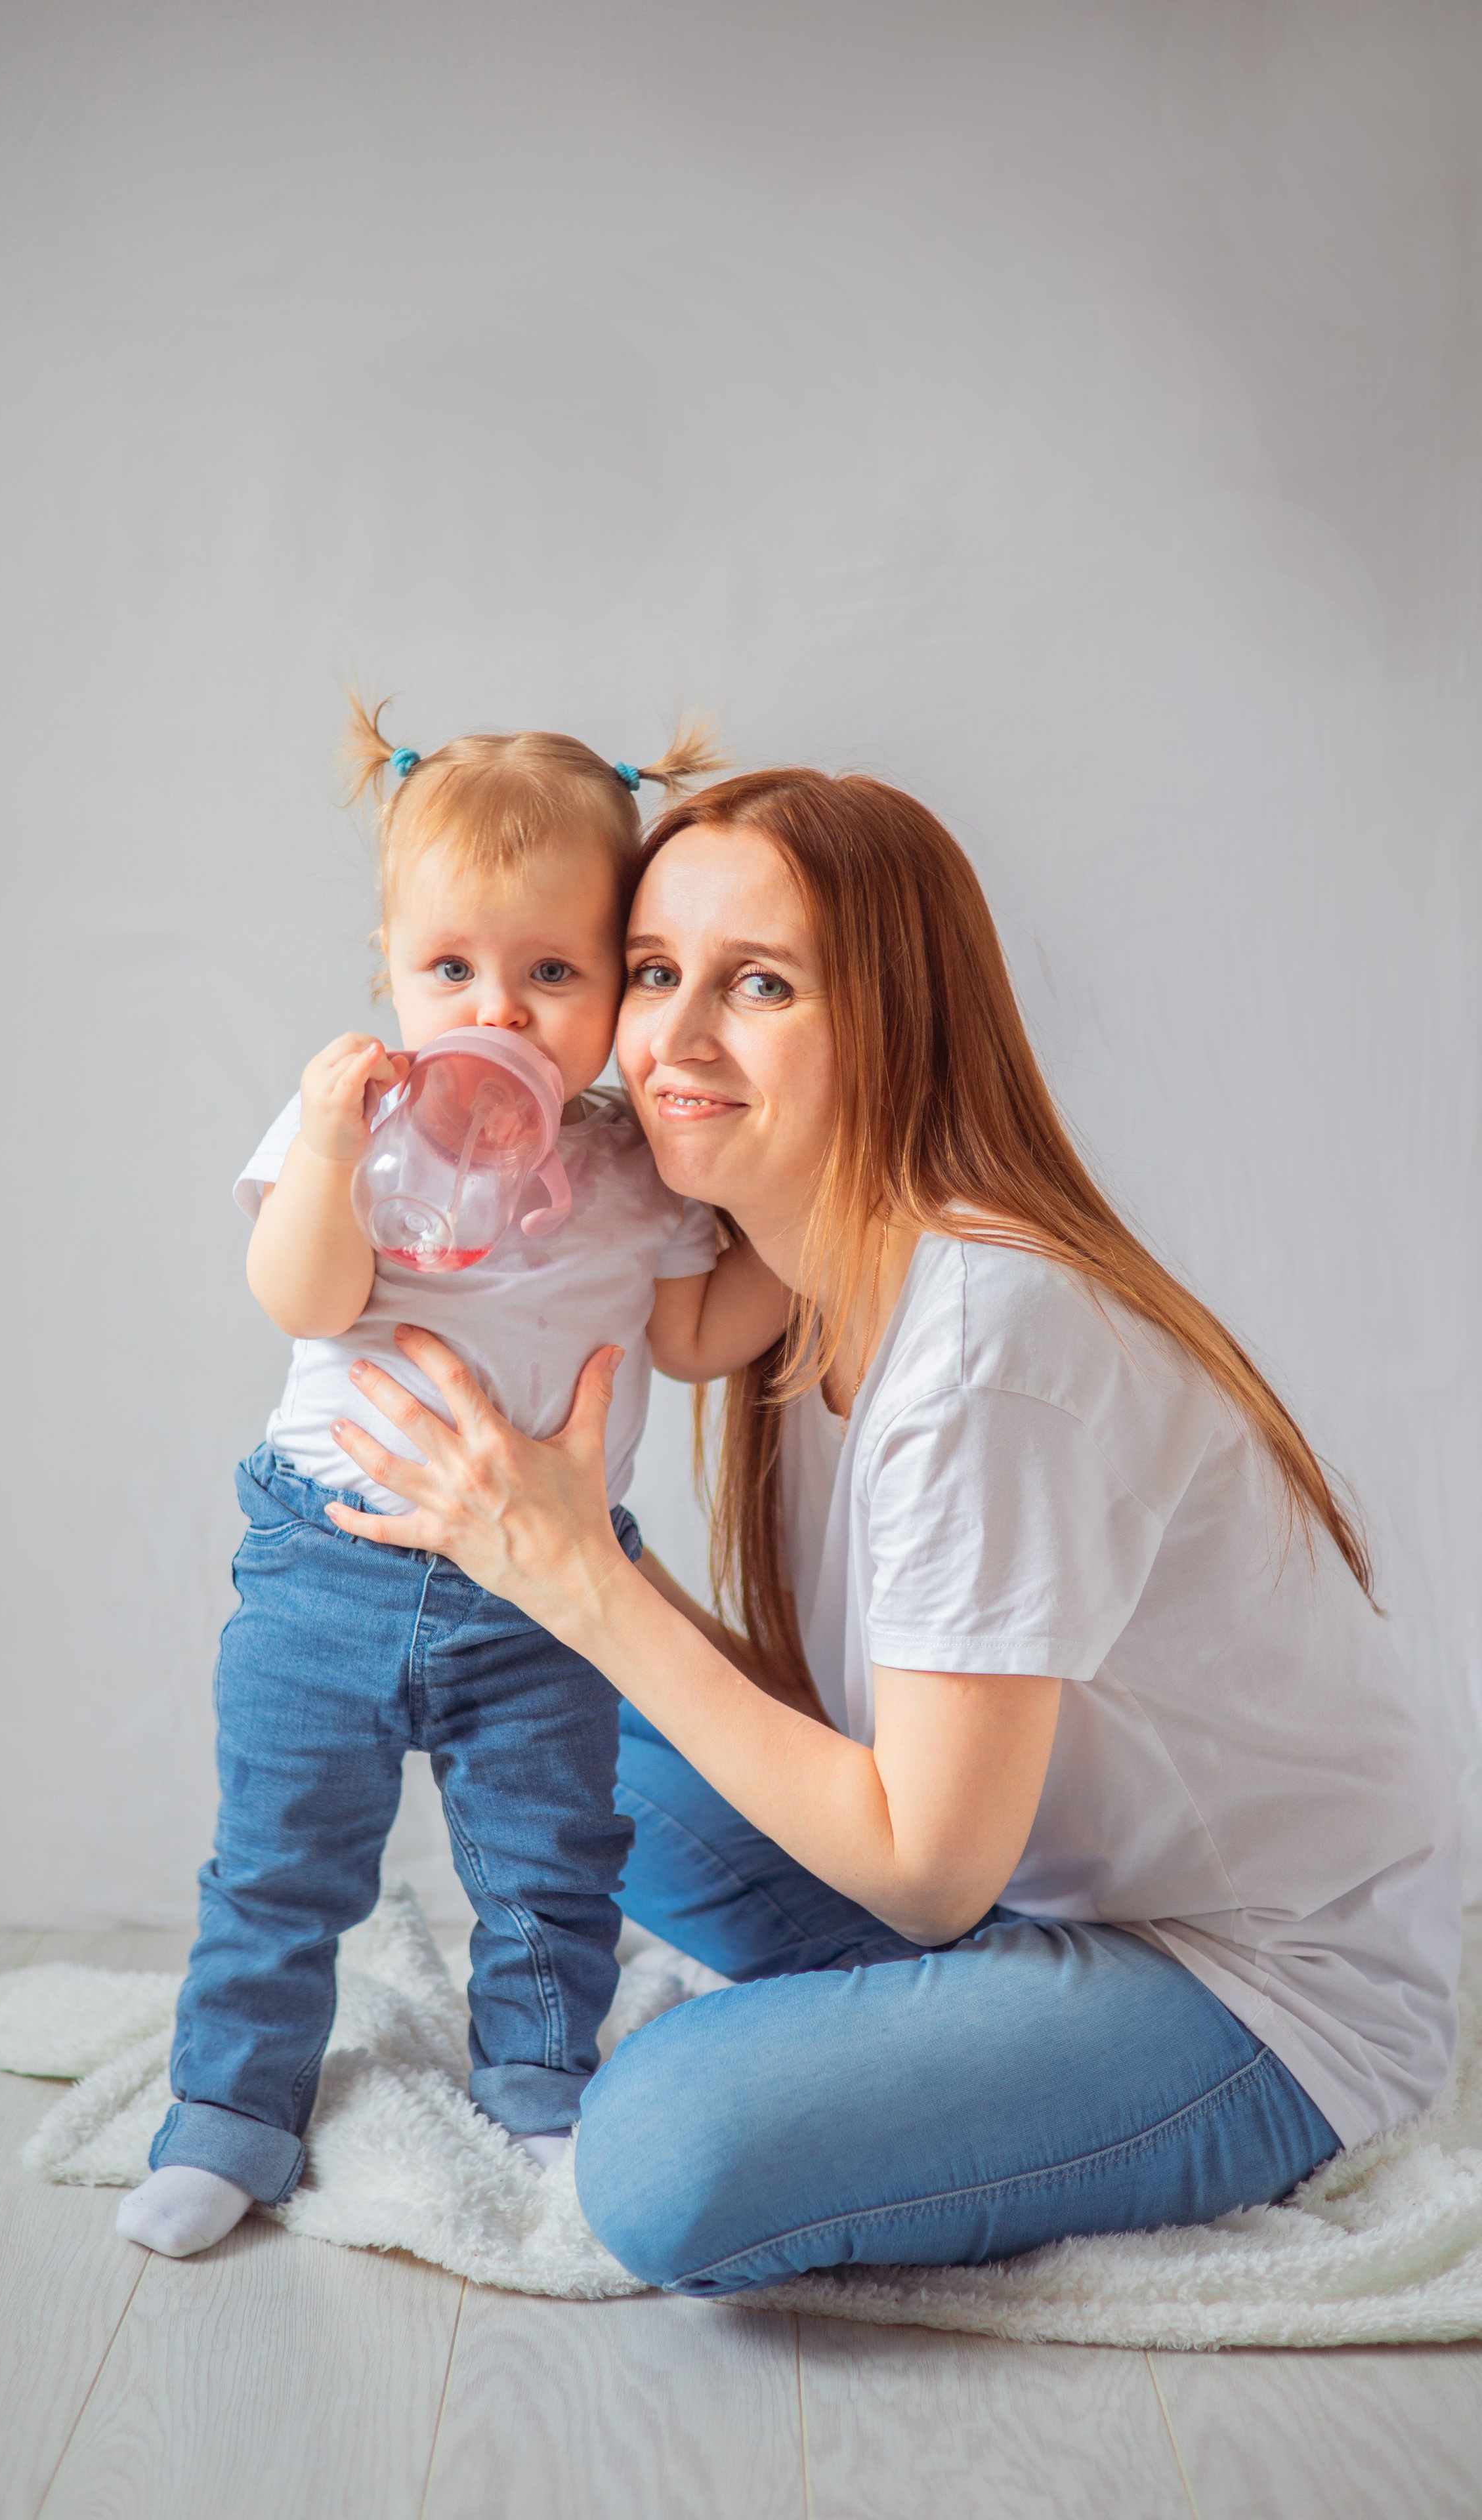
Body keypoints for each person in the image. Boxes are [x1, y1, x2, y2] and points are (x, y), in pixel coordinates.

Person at [320, 766, 1462, 2297]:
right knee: (538, 1678)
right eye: (653, 973)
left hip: (1246, 1988)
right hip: (1030, 1891)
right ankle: (962, 2050)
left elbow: (922, 1871)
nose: (672, 1038)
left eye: (760, 985)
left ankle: (969, 2065)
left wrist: (586, 1575)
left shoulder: (994, 1333)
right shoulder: (793, 1287)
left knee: (660, 2150)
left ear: (893, 1022)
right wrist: (546, 1551)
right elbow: (826, 1738)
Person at [116, 713, 788, 2260]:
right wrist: (332, 1162)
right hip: (325, 1565)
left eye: (553, 974)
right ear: (390, 970)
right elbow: (302, 1297)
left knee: (553, 1868)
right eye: (452, 972)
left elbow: (688, 1336)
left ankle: (544, 2084)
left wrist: (797, 1226)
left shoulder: (632, 1167)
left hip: (543, 1592)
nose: (499, 1008)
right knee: (279, 1865)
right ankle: (228, 2116)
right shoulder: (353, 1130)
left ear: (619, 981)